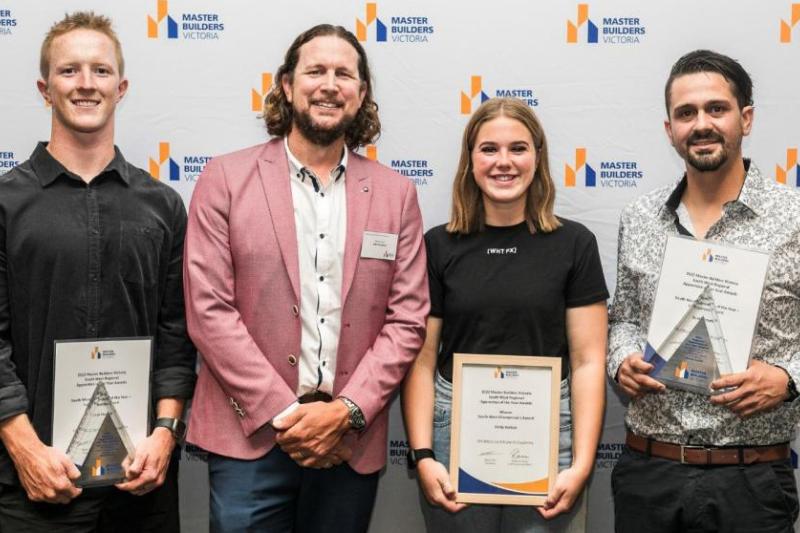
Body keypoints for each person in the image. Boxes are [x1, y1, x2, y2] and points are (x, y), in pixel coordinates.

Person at [183, 23, 428, 533]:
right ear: (287, 86)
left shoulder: (395, 194)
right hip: (248, 440)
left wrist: (347, 412)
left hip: (348, 442)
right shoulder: (224, 179)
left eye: (345, 74)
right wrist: (287, 414)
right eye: (315, 70)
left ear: (361, 95)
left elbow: (406, 321)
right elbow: (209, 312)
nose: (329, 84)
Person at [0, 11, 196, 532]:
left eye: (100, 70)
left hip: (140, 482)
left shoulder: (163, 206)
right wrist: (24, 449)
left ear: (121, 86)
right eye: (69, 71)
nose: (86, 83)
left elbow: (177, 335)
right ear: (44, 89)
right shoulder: (5, 204)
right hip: (34, 482)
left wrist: (165, 434)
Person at [608, 49, 800, 533]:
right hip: (649, 470)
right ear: (669, 128)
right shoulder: (640, 218)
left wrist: (789, 378)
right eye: (686, 113)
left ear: (746, 118)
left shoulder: (794, 217)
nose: (702, 124)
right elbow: (624, 317)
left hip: (752, 479)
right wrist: (622, 357)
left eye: (717, 108)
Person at [402, 97, 608, 532]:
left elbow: (589, 362)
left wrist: (582, 465)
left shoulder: (575, 244)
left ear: (538, 157)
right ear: (470, 160)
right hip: (452, 436)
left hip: (551, 440)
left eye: (518, 148)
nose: (504, 162)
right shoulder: (438, 246)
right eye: (489, 149)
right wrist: (423, 455)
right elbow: (420, 361)